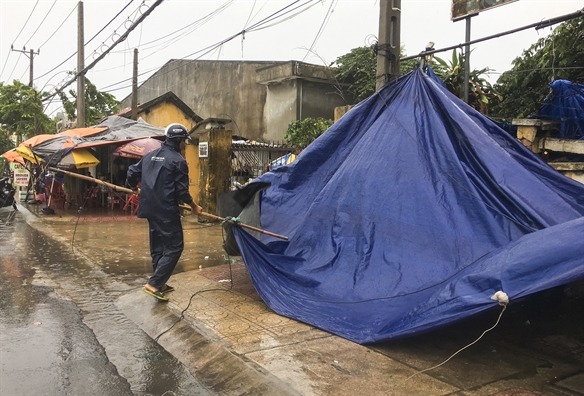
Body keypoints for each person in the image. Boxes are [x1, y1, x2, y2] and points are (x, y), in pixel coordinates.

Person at [126, 123, 203, 302]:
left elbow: (131, 172)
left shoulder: (149, 156)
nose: (184, 144)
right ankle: (154, 284)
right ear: (179, 141)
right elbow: (182, 192)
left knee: (158, 246)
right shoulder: (178, 161)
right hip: (166, 210)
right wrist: (194, 206)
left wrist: (132, 187)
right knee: (175, 246)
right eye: (184, 141)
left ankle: (160, 284)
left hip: (148, 208)